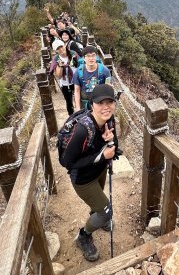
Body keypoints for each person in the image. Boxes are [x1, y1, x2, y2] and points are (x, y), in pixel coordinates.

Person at [60, 84, 120, 262]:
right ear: (91, 104)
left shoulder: (109, 119)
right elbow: (66, 162)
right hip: (83, 180)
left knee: (98, 209)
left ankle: (97, 218)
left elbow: (114, 146)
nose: (106, 106)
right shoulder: (82, 130)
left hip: (99, 172)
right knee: (106, 212)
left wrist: (111, 140)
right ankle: (83, 236)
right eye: (100, 103)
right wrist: (102, 157)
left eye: (110, 102)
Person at [73, 46, 111, 111]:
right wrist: (78, 108)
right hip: (84, 103)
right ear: (84, 58)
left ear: (96, 56)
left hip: (100, 102)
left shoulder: (104, 71)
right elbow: (77, 90)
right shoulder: (78, 71)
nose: (91, 58)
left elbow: (107, 88)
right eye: (88, 56)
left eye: (93, 55)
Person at [48, 39, 79, 115]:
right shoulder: (56, 59)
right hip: (65, 84)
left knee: (79, 99)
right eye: (58, 49)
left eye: (61, 47)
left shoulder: (73, 54)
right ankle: (71, 117)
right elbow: (58, 76)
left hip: (77, 81)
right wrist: (60, 66)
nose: (60, 49)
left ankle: (80, 114)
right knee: (69, 102)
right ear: (56, 51)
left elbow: (81, 65)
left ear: (64, 45)